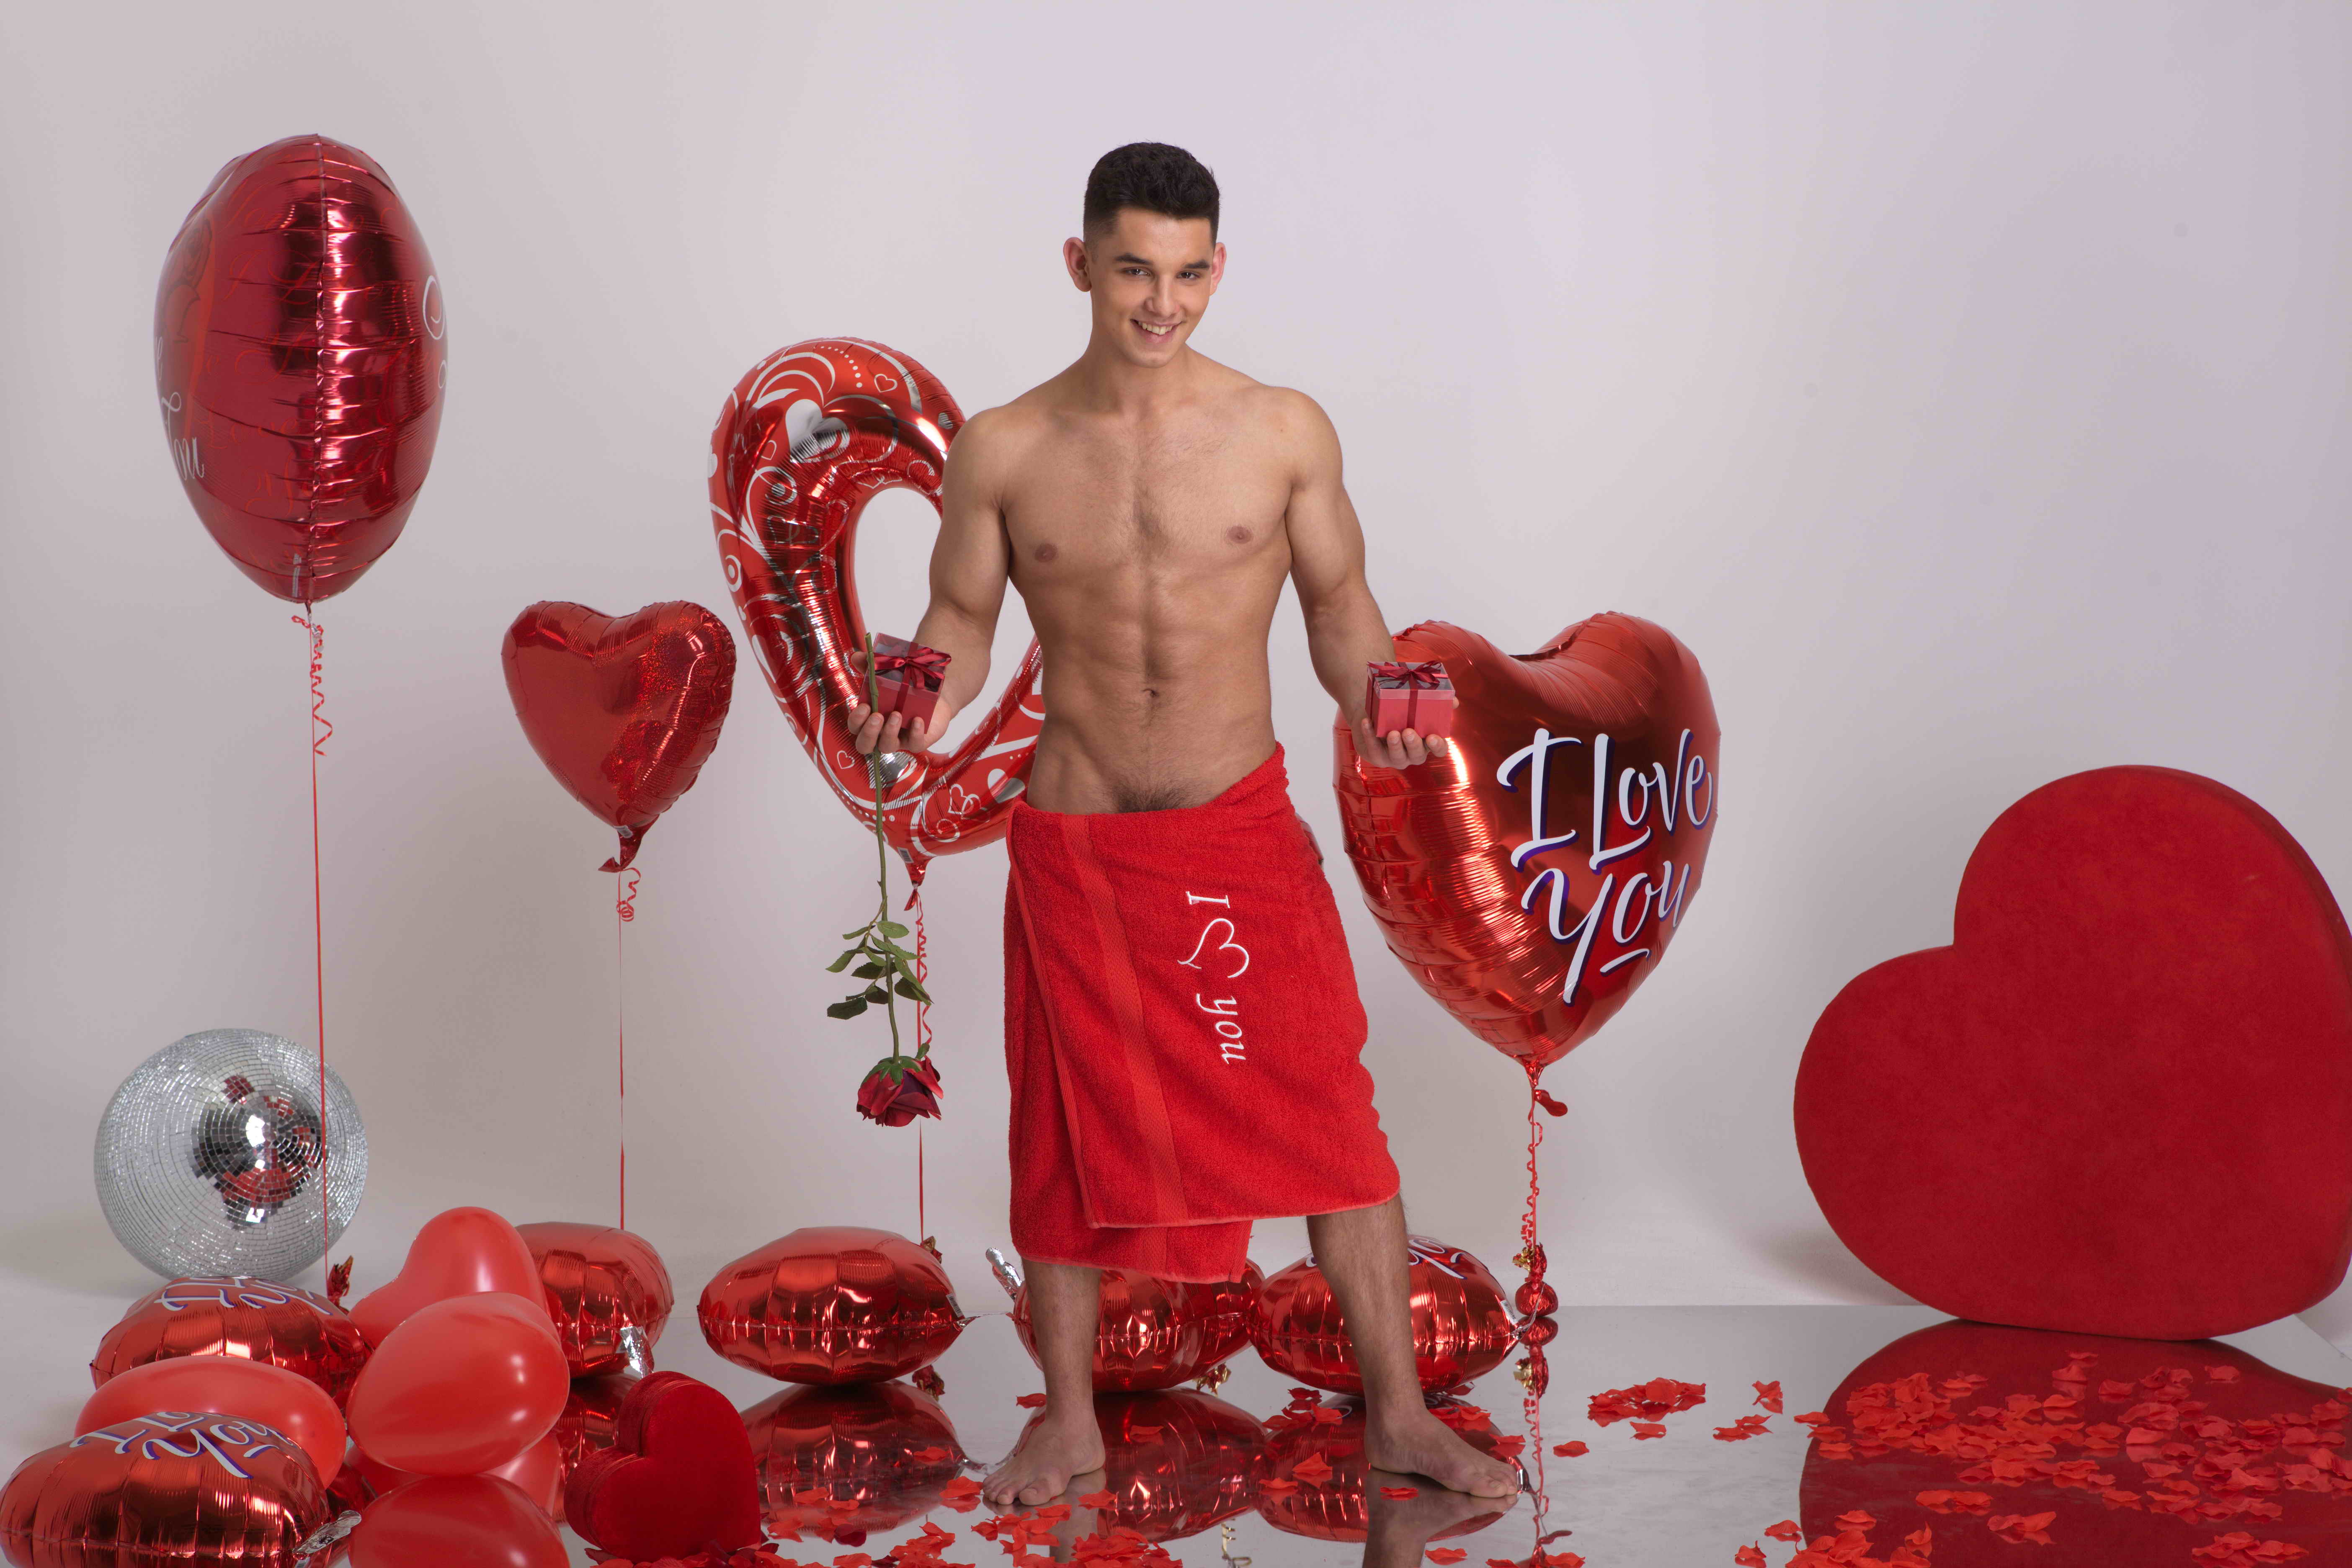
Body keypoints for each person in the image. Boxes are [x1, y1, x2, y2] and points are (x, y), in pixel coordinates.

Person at [844, 142, 1519, 1509]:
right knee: (1063, 1137)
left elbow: (1341, 606)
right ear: (1080, 264)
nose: (1164, 303)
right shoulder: (1007, 448)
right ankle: (1069, 1424)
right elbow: (962, 620)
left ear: (1219, 269)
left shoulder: (1283, 431)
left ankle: (1398, 1417)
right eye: (1135, 272)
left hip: (1233, 824)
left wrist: (1382, 700)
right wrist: (914, 700)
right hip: (1079, 839)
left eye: (1191, 274)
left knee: (1329, 1114)